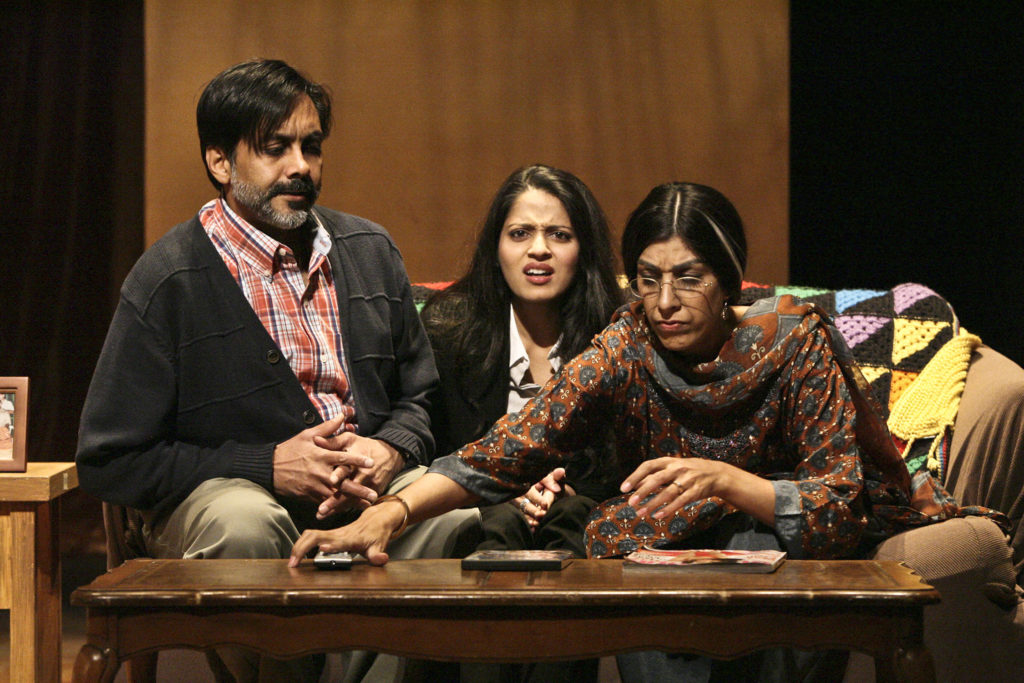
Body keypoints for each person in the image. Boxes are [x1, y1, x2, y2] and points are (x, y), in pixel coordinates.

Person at [292, 180, 1009, 680]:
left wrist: (728, 481)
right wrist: (386, 515)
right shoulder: (627, 341)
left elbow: (838, 502)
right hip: (665, 538)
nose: (664, 301)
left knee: (756, 553)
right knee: (630, 550)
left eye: (688, 278)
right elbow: (512, 447)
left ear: (730, 281)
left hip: (784, 534)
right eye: (647, 277)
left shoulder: (794, 342)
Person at [75, 58, 477, 683]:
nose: (300, 166)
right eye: (275, 148)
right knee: (246, 523)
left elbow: (420, 399)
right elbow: (110, 459)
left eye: (311, 147)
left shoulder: (369, 251)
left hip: (366, 493)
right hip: (230, 497)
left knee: (452, 516)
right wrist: (266, 465)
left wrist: (391, 449)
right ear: (220, 161)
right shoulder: (169, 279)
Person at [419, 165, 622, 683]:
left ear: (584, 249)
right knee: (497, 524)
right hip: (478, 509)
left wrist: (563, 486)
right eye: (520, 233)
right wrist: (504, 488)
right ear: (496, 248)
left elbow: (627, 453)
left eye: (559, 235)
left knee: (574, 518)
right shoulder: (447, 329)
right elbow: (432, 446)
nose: (539, 250)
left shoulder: (618, 331)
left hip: (576, 508)